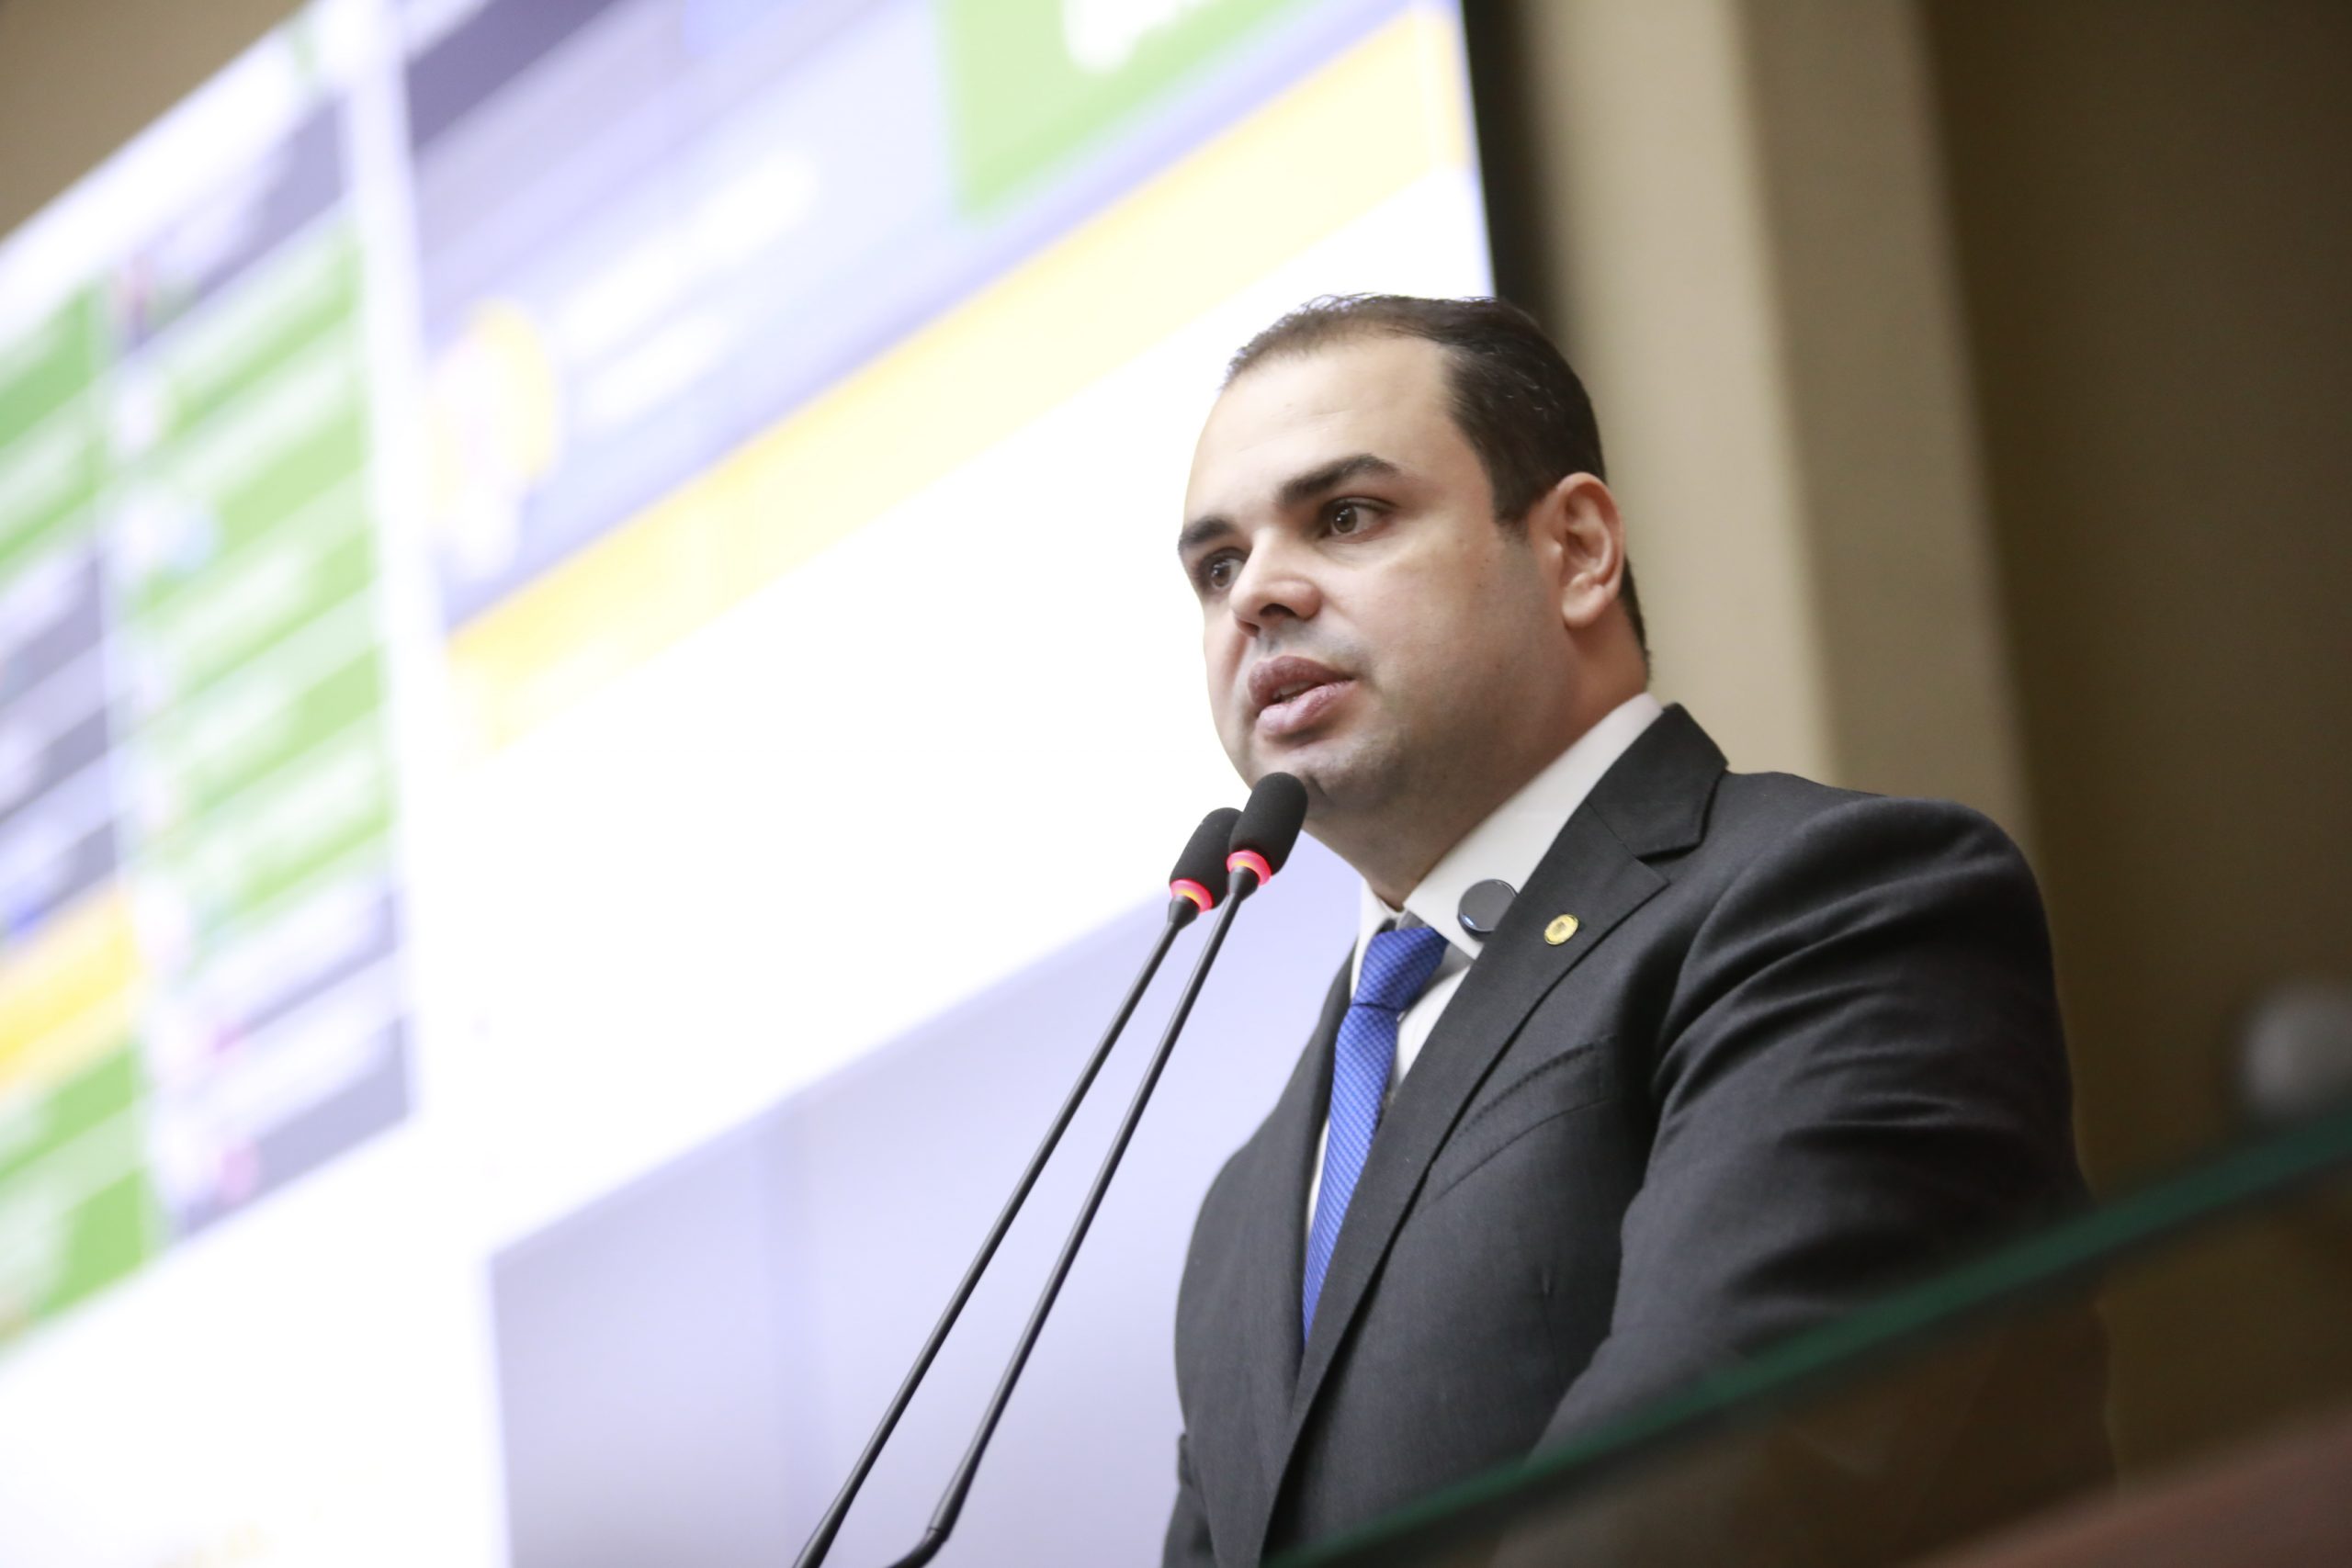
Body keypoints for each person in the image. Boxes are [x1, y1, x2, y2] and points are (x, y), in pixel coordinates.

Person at [1162, 296, 2105, 1567]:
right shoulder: (1246, 1213)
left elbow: (1723, 1484)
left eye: (1346, 517)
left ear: (1578, 550)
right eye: (1217, 567)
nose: (1259, 595)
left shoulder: (1832, 905)